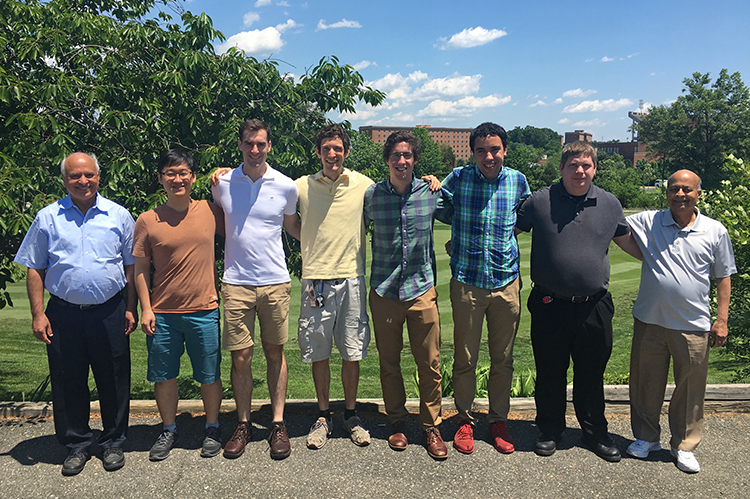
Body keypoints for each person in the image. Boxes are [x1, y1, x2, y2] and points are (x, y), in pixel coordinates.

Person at [14, 152, 137, 475]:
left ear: (99, 176)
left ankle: (112, 442)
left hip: (110, 310)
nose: (83, 181)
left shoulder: (119, 215)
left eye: (89, 175)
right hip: (63, 314)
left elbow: (131, 266)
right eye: (75, 176)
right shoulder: (47, 218)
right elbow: (35, 268)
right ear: (64, 180)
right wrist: (38, 314)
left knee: (113, 377)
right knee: (69, 380)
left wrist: (130, 307)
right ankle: (76, 444)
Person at [515, 141, 638, 462]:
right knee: (550, 371)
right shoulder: (539, 202)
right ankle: (550, 430)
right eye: (573, 165)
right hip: (549, 303)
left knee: (591, 373)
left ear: (595, 168)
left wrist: (666, 259)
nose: (580, 171)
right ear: (561, 168)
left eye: (586, 165)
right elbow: (506, 233)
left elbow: (628, 241)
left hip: (594, 306)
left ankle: (595, 432)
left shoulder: (610, 203)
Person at [623, 170, 735, 473]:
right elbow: (614, 223)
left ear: (699, 193)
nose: (680, 194)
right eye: (674, 189)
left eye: (687, 189)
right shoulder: (650, 220)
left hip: (693, 323)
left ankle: (684, 444)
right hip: (650, 320)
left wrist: (721, 320)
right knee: (645, 384)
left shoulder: (714, 230)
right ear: (667, 193)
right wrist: (641, 253)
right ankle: (647, 438)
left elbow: (723, 277)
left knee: (690, 389)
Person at [441, 122, 530, 455]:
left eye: (494, 149)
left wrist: (503, 237)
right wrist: (461, 236)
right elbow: (438, 207)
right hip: (467, 281)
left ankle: (497, 420)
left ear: (504, 150)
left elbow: (525, 215)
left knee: (503, 359)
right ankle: (465, 419)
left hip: (506, 281)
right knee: (464, 357)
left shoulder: (518, 180)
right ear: (472, 152)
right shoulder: (459, 178)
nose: (488, 156)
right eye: (481, 150)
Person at [211, 119, 298, 460]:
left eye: (261, 144)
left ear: (269, 146)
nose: (255, 149)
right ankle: (244, 423)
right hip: (236, 283)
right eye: (249, 143)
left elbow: (293, 227)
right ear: (240, 144)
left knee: (275, 353)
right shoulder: (222, 183)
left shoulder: (286, 186)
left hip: (275, 282)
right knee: (241, 356)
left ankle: (277, 423)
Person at [133, 149, 225, 461]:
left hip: (205, 309)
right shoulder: (147, 220)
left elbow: (245, 217)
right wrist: (146, 307)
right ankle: (168, 429)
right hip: (163, 314)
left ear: (194, 177)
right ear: (160, 179)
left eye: (183, 172)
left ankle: (212, 428)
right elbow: (141, 270)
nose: (177, 178)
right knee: (164, 376)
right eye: (170, 173)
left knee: (209, 374)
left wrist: (228, 173)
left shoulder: (211, 211)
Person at [364, 131, 452, 460]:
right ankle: (397, 421)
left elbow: (465, 215)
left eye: (408, 156)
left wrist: (454, 245)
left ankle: (431, 426)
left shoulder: (431, 193)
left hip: (421, 289)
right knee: (389, 363)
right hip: (385, 290)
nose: (402, 161)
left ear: (415, 159)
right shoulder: (371, 196)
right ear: (387, 159)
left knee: (429, 362)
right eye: (396, 156)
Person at [288, 124, 373, 449]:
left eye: (338, 148)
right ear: (318, 152)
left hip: (352, 278)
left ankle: (351, 414)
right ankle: (323, 416)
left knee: (352, 351)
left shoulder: (363, 184)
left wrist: (431, 181)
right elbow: (289, 222)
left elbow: (397, 187)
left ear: (346, 152)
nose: (332, 154)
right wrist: (311, 240)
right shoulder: (301, 186)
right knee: (318, 351)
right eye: (326, 148)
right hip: (315, 281)